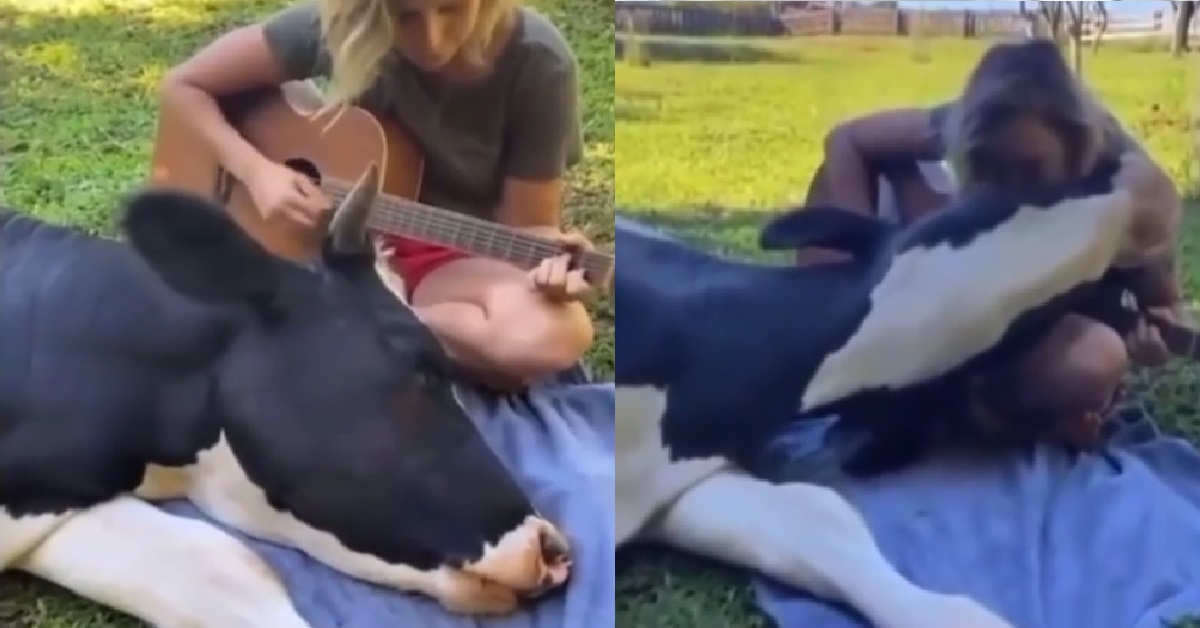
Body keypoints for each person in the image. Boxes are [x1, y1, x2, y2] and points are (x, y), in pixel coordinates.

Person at [159, 0, 595, 391]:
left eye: (452, 9)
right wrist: (256, 172)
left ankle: (352, 324)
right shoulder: (342, 25)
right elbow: (184, 86)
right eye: (405, 16)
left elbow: (527, 228)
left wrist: (550, 267)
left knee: (555, 335)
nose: (432, 39)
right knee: (498, 371)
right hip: (326, 249)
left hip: (448, 262)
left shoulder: (538, 61)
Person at [804, 38, 1186, 437]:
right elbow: (845, 141)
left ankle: (944, 405)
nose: (1010, 192)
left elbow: (1167, 306)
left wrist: (1154, 345)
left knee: (1098, 358)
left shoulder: (1131, 195)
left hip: (998, 330)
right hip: (918, 290)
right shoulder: (983, 124)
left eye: (1030, 169)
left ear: (1077, 144)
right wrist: (861, 270)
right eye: (989, 171)